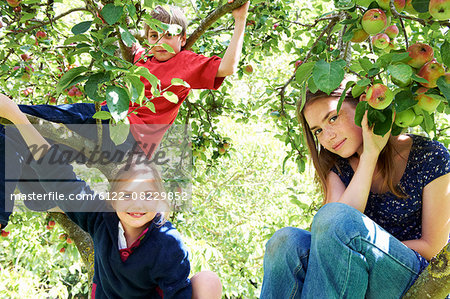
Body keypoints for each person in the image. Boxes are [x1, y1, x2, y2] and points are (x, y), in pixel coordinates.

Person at [0, 1, 250, 229]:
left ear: (183, 39)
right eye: (154, 35)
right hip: (109, 131)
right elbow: (121, 31)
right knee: (20, 136)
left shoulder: (186, 62)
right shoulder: (144, 58)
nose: (161, 41)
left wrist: (240, 20)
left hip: (127, 136)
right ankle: (34, 201)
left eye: (169, 35)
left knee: (23, 117)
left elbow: (227, 67)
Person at [0, 93, 222, 299]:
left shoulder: (167, 243)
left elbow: (177, 294)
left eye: (147, 194)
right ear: (112, 200)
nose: (137, 202)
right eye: (127, 195)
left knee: (207, 281)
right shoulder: (101, 218)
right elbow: (61, 179)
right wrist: (17, 117)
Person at [260, 83, 450, 298]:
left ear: (362, 108)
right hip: (352, 275)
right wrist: (370, 156)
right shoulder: (337, 166)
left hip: (410, 275)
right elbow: (329, 232)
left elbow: (433, 247)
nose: (328, 136)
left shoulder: (429, 155)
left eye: (332, 118)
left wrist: (359, 247)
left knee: (336, 221)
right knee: (285, 242)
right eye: (318, 131)